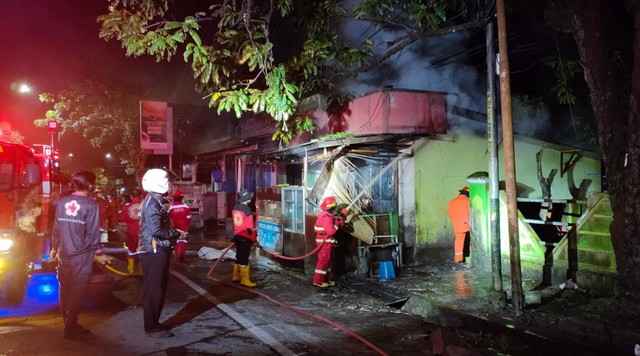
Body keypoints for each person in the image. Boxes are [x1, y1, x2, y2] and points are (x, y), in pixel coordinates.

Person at [50, 171, 110, 338]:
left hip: (63, 252)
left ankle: (67, 321)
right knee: (78, 289)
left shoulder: (61, 202)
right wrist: (99, 252)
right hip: (81, 255)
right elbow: (92, 232)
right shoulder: (90, 204)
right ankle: (70, 327)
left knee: (64, 286)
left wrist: (54, 248)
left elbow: (56, 227)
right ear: (90, 186)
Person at [138, 168, 184, 338]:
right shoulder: (152, 203)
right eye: (166, 181)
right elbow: (156, 230)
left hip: (156, 249)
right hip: (154, 251)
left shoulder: (155, 201)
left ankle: (153, 324)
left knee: (157, 289)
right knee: (154, 290)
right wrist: (176, 233)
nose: (169, 184)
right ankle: (151, 327)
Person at [312, 196, 346, 288]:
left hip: (327, 241)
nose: (335, 209)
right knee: (323, 261)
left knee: (327, 261)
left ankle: (326, 279)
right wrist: (336, 223)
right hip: (324, 241)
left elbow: (337, 223)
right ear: (331, 207)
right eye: (334, 207)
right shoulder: (325, 216)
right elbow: (331, 231)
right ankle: (318, 281)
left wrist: (341, 218)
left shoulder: (328, 215)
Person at [231, 188, 257, 287]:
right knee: (244, 258)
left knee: (238, 256)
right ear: (246, 199)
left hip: (237, 235)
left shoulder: (235, 207)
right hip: (245, 237)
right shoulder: (247, 210)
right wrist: (254, 239)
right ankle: (245, 280)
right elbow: (250, 227)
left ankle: (235, 276)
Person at [120, 188, 142, 274]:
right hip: (144, 232)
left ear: (131, 196)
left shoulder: (126, 206)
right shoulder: (145, 205)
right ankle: (142, 270)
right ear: (140, 195)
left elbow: (122, 218)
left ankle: (131, 269)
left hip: (132, 232)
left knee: (131, 250)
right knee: (143, 251)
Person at [447, 186, 471, 264]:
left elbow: (449, 214)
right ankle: (471, 257)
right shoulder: (467, 200)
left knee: (458, 240)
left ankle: (458, 259)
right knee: (471, 240)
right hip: (467, 224)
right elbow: (472, 213)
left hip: (456, 225)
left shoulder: (452, 201)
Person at [168, 190, 191, 262]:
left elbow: (168, 218)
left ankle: (177, 256)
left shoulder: (170, 208)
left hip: (174, 228)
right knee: (183, 241)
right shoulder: (186, 207)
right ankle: (181, 256)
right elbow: (189, 218)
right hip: (184, 227)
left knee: (176, 241)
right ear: (181, 198)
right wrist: (187, 227)